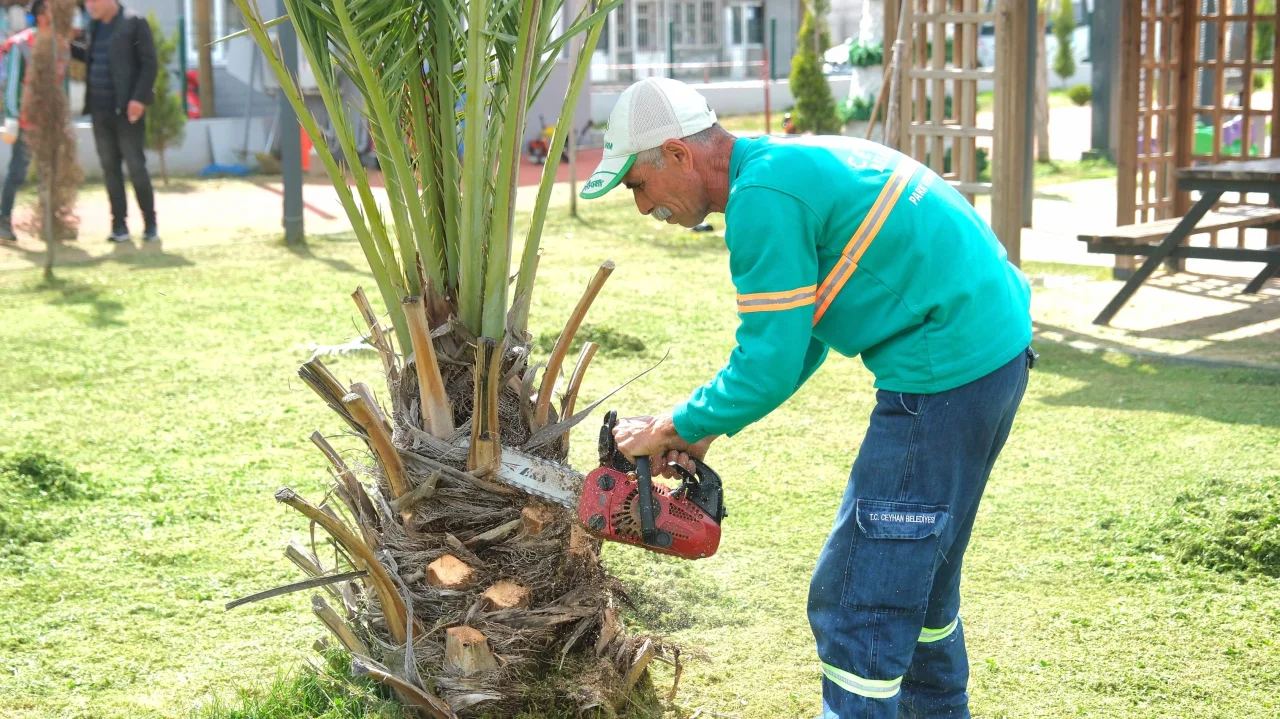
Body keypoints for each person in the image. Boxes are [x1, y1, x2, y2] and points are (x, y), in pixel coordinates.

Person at [583, 77, 1034, 719]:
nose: (640, 206)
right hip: (991, 353)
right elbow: (805, 341)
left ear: (679, 155)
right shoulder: (780, 166)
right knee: (922, 582)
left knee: (859, 596)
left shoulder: (761, 199)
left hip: (944, 369)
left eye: (637, 184)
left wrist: (670, 425)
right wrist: (702, 430)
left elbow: (767, 363)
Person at [71, 0, 156, 242]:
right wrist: (65, 45)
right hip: (100, 111)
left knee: (136, 167)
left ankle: (150, 224)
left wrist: (139, 99)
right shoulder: (95, 27)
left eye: (93, 0)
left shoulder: (134, 22)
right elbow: (89, 56)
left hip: (127, 111)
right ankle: (119, 226)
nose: (89, 5)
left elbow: (150, 64)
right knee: (110, 169)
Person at [0, 0, 67, 243]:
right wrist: (11, 116)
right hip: (27, 121)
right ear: (41, 14)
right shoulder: (21, 44)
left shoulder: (60, 43)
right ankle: (3, 220)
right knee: (18, 170)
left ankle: (50, 221)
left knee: (49, 171)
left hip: (50, 120)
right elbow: (12, 82)